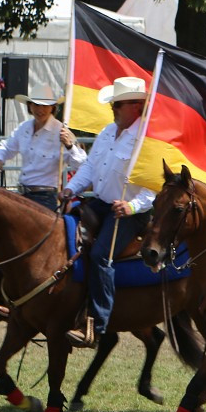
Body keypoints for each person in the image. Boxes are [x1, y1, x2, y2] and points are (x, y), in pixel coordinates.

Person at [60, 77, 156, 348]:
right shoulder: (106, 132)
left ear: (136, 106)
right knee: (64, 235)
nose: (113, 108)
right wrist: (70, 188)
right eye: (114, 103)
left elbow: (152, 187)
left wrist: (132, 206)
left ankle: (98, 324)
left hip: (128, 212)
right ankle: (68, 307)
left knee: (102, 255)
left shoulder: (144, 140)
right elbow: (89, 168)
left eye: (118, 103)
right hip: (101, 204)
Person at [0, 83, 85, 211]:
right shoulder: (24, 127)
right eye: (36, 105)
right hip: (23, 194)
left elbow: (81, 164)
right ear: (30, 106)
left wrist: (69, 146)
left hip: (46, 197)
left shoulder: (62, 132)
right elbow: (6, 147)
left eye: (45, 106)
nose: (40, 110)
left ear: (52, 108)